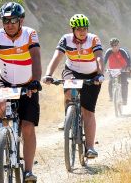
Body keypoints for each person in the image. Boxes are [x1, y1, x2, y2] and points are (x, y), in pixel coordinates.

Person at [0, 2, 41, 182]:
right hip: (6, 82)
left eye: (13, 20)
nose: (9, 24)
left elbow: (36, 57)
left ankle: (28, 171)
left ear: (20, 20)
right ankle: (2, 134)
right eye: (6, 20)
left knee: (28, 127)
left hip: (28, 84)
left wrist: (35, 81)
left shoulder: (30, 34)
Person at [43, 14, 104, 159]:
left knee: (88, 112)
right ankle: (68, 117)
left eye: (85, 28)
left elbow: (99, 57)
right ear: (73, 29)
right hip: (72, 71)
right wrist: (48, 74)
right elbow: (57, 56)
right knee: (69, 93)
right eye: (79, 29)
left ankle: (89, 148)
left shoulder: (93, 39)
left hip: (92, 75)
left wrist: (100, 74)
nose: (82, 31)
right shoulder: (65, 39)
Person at [103, 38, 131, 105]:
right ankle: (111, 96)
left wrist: (128, 67)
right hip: (113, 70)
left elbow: (128, 59)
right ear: (110, 46)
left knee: (124, 83)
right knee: (110, 82)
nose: (114, 47)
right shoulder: (108, 52)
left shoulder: (122, 51)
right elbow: (104, 61)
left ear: (118, 45)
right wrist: (102, 68)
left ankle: (124, 100)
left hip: (123, 69)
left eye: (116, 45)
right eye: (112, 46)